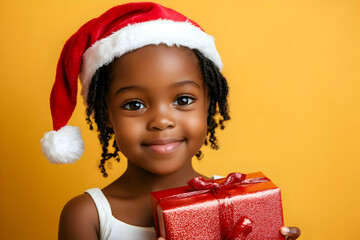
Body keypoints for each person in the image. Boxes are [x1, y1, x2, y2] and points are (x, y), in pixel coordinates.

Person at [40, 2, 301, 240]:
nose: (162, 121)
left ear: (208, 104)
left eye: (183, 100)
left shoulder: (236, 201)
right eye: (135, 105)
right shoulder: (89, 216)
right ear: (106, 114)